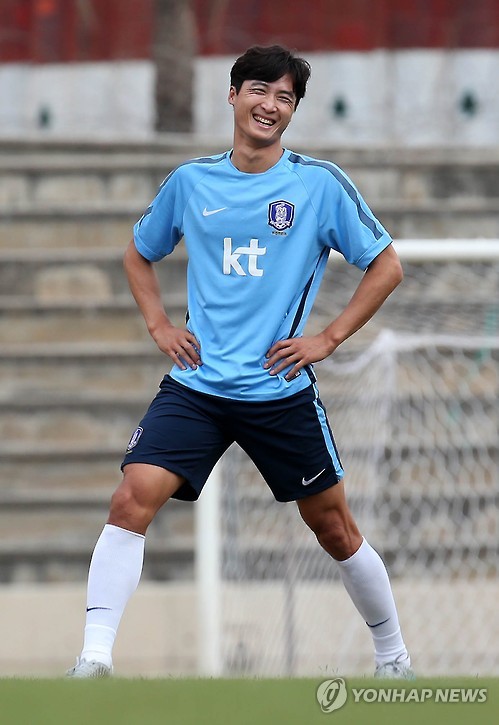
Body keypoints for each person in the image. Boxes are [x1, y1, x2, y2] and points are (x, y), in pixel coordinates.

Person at [67, 44, 414, 680]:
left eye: (285, 97)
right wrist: (159, 324)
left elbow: (386, 265)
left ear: (293, 111)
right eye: (259, 90)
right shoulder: (191, 182)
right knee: (131, 499)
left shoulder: (317, 184)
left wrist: (328, 339)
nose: (270, 105)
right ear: (232, 95)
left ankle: (394, 659)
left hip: (278, 389)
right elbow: (139, 253)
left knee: (334, 528)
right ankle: (93, 659)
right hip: (197, 385)